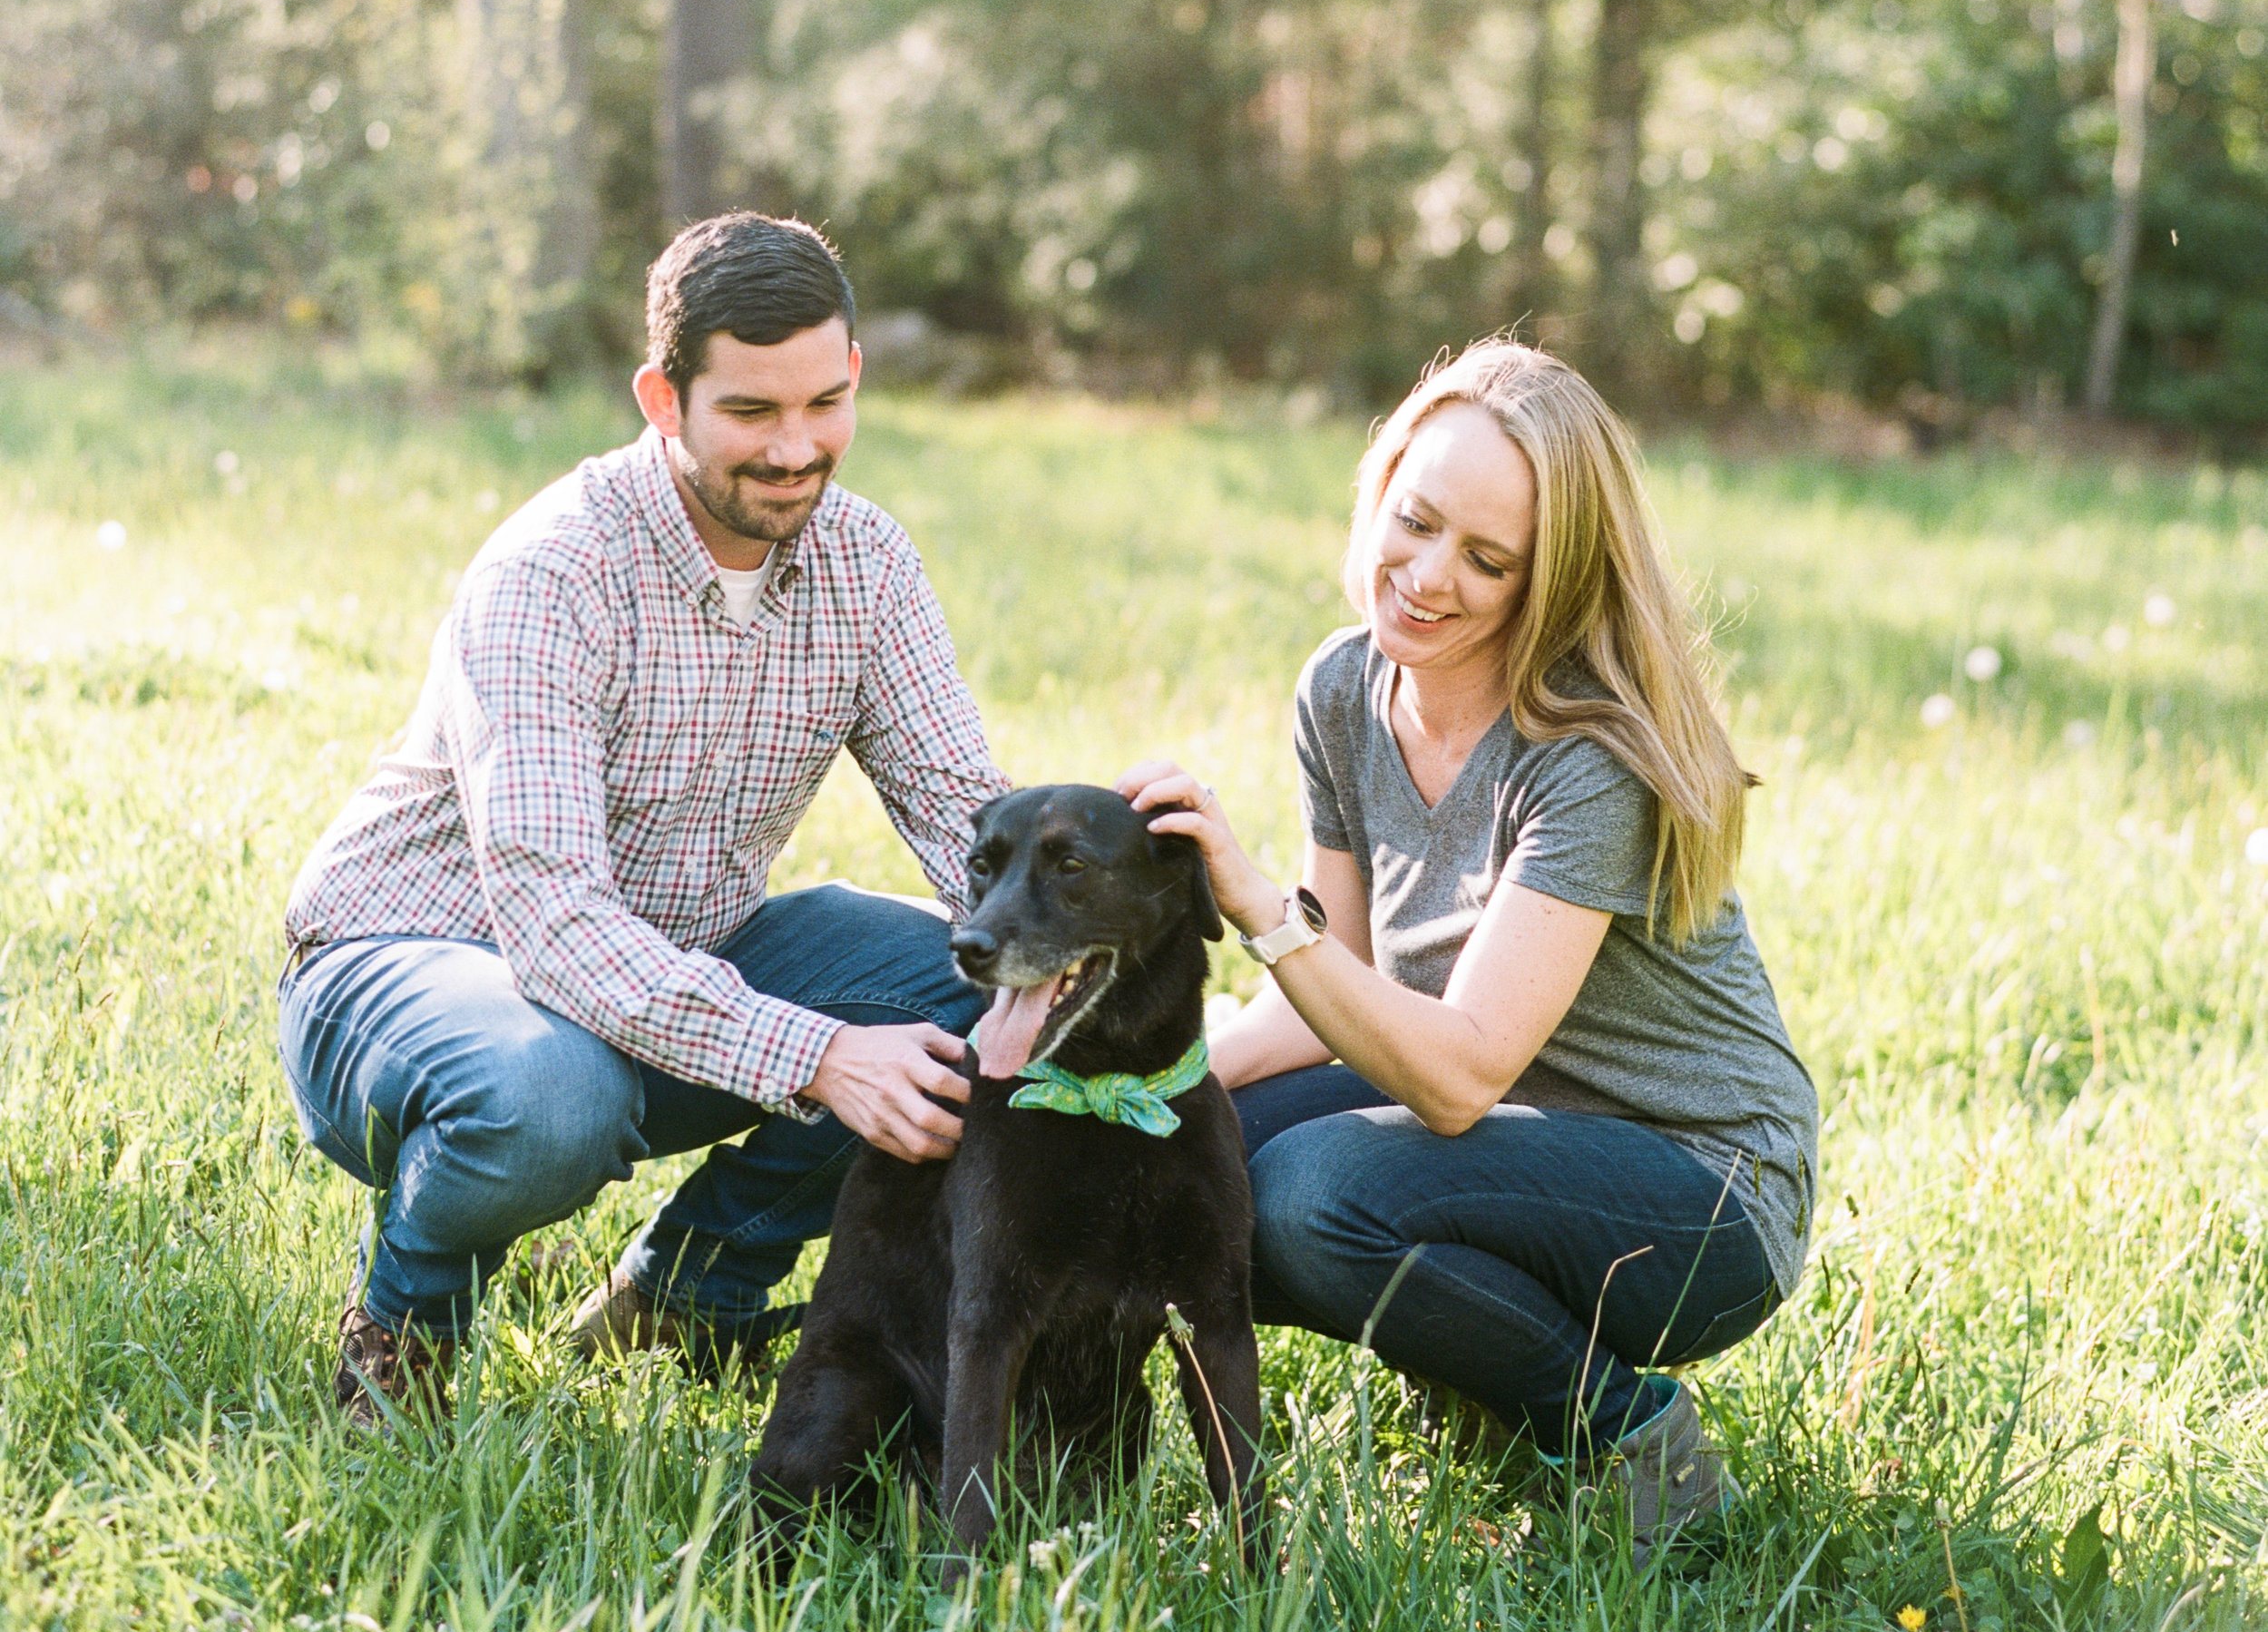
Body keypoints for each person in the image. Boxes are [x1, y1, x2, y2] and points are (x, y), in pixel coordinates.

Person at [279, 213, 1003, 1424]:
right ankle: (404, 1329)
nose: (795, 448)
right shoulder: (552, 570)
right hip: (414, 974)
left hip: (666, 966)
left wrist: (1105, 958)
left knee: (970, 983)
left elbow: (968, 822)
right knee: (551, 1095)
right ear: (664, 397)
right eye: (752, 414)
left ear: (856, 375)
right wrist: (820, 1054)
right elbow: (556, 929)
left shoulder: (867, 563)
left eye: (823, 404)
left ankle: (683, 1294)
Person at [1121, 338, 1815, 1555]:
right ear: (1381, 481)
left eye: (1486, 559)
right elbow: (1341, 981)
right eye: (1417, 519)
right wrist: (1151, 1090)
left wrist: (1254, 904)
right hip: (1513, 1133)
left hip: (1702, 1187)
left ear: (1547, 581)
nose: (1427, 576)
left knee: (1312, 1198)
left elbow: (1456, 1073)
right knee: (1198, 1159)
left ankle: (1631, 1436)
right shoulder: (1345, 687)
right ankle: (1491, 1379)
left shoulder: (1585, 754)